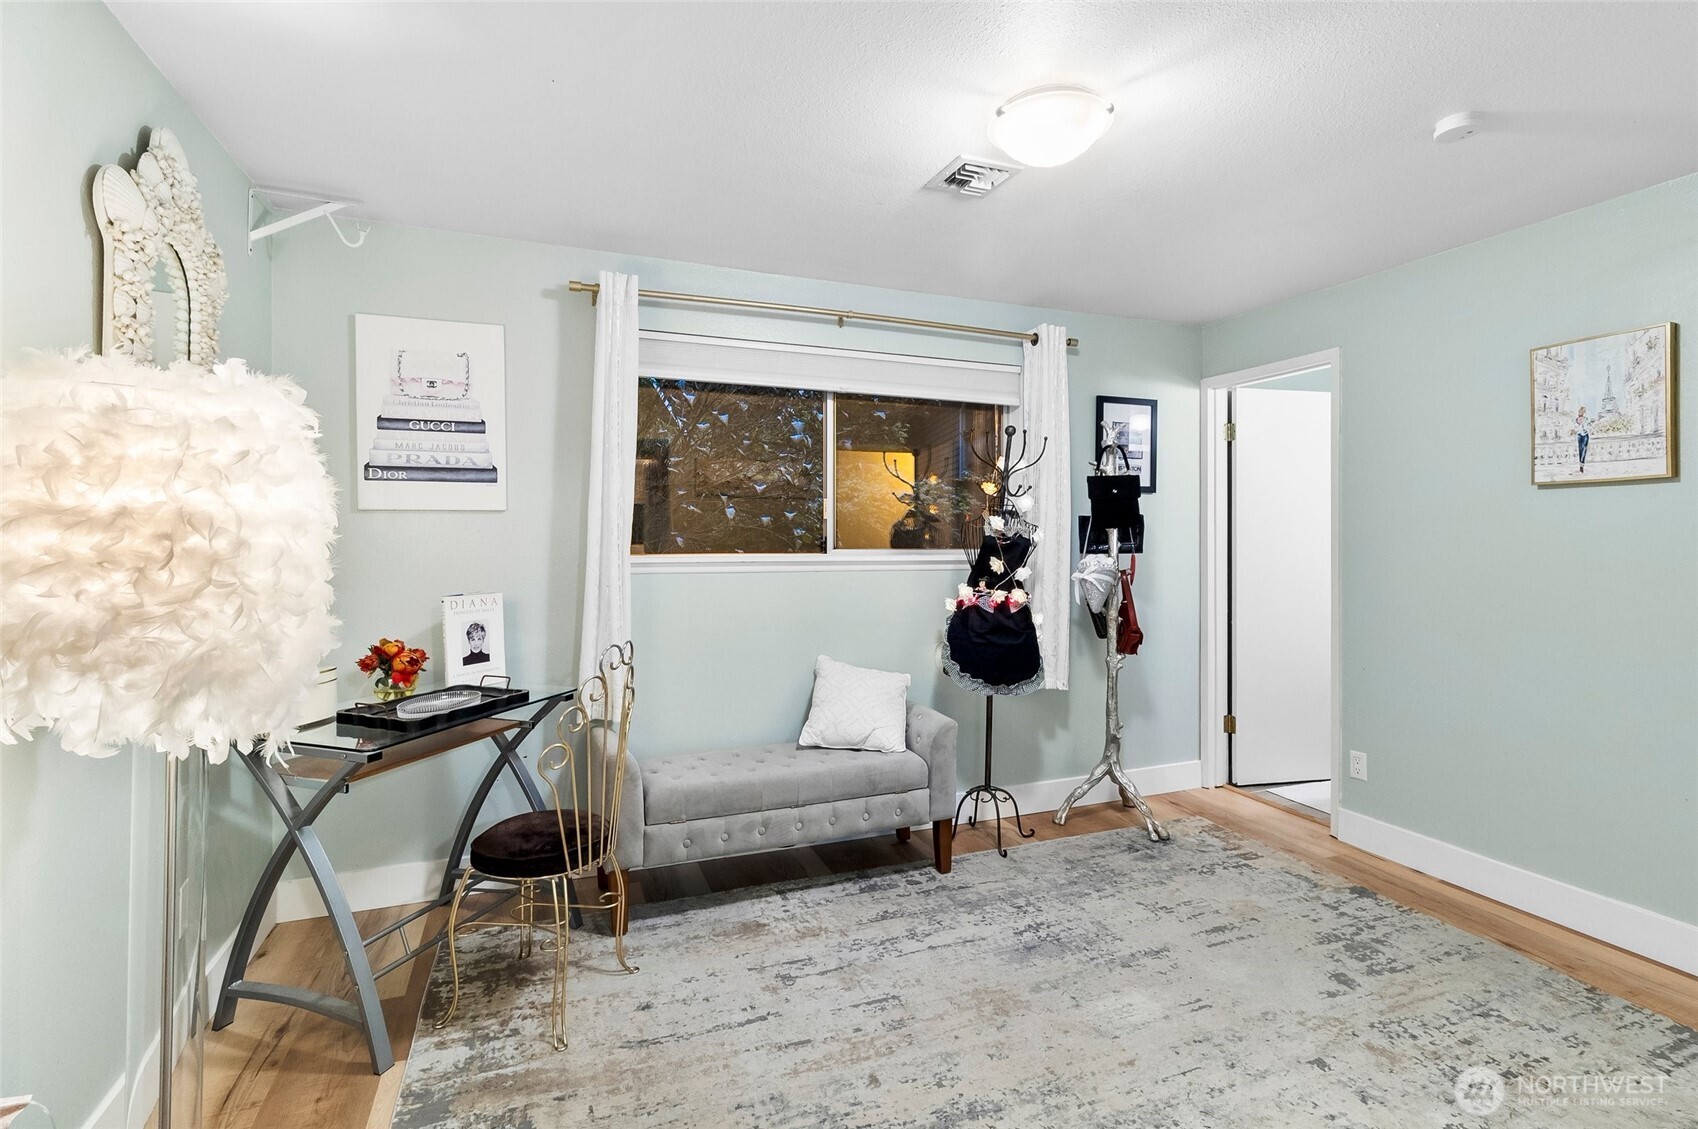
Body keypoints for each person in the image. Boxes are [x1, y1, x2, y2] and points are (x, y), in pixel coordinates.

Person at [1575, 406, 1590, 473]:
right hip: (1579, 435)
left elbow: (1587, 427)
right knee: (1580, 449)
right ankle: (1581, 464)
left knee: (1584, 449)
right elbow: (1575, 427)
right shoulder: (1576, 419)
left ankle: (1582, 465)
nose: (1582, 412)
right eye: (1581, 410)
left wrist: (1583, 426)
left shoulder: (1586, 419)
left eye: (1583, 411)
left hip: (1585, 435)